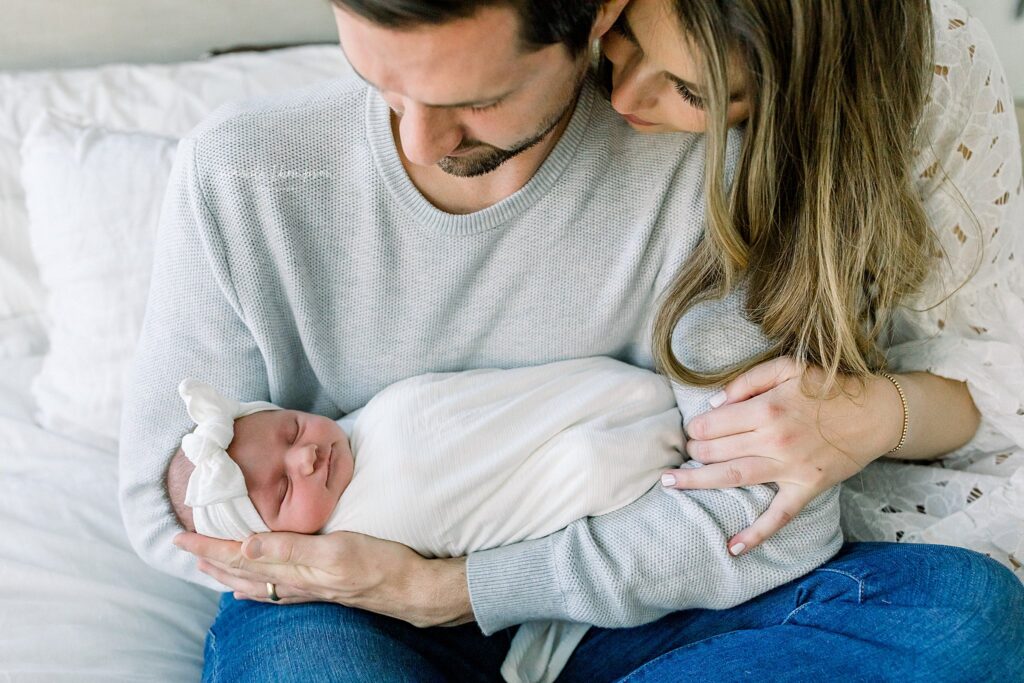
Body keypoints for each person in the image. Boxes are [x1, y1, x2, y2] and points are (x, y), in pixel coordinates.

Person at [117, 1, 1022, 681]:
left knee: (966, 619)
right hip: (356, 609)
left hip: (640, 608)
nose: (418, 139)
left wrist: (459, 587)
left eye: (475, 100)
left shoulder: (701, 162)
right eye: (382, 83)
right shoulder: (242, 176)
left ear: (595, 19)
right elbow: (170, 508)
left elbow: (768, 521)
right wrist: (359, 571)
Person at [607, 0, 1024, 579]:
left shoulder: (935, 64)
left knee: (973, 601)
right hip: (593, 495)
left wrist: (871, 413)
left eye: (696, 93)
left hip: (826, 495)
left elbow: (990, 391)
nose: (622, 96)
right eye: (623, 34)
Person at [169, 357, 686, 682]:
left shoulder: (369, 426)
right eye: (283, 491)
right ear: (275, 546)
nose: (305, 457)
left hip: (632, 427)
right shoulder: (358, 529)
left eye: (292, 429)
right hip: (623, 461)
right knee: (585, 463)